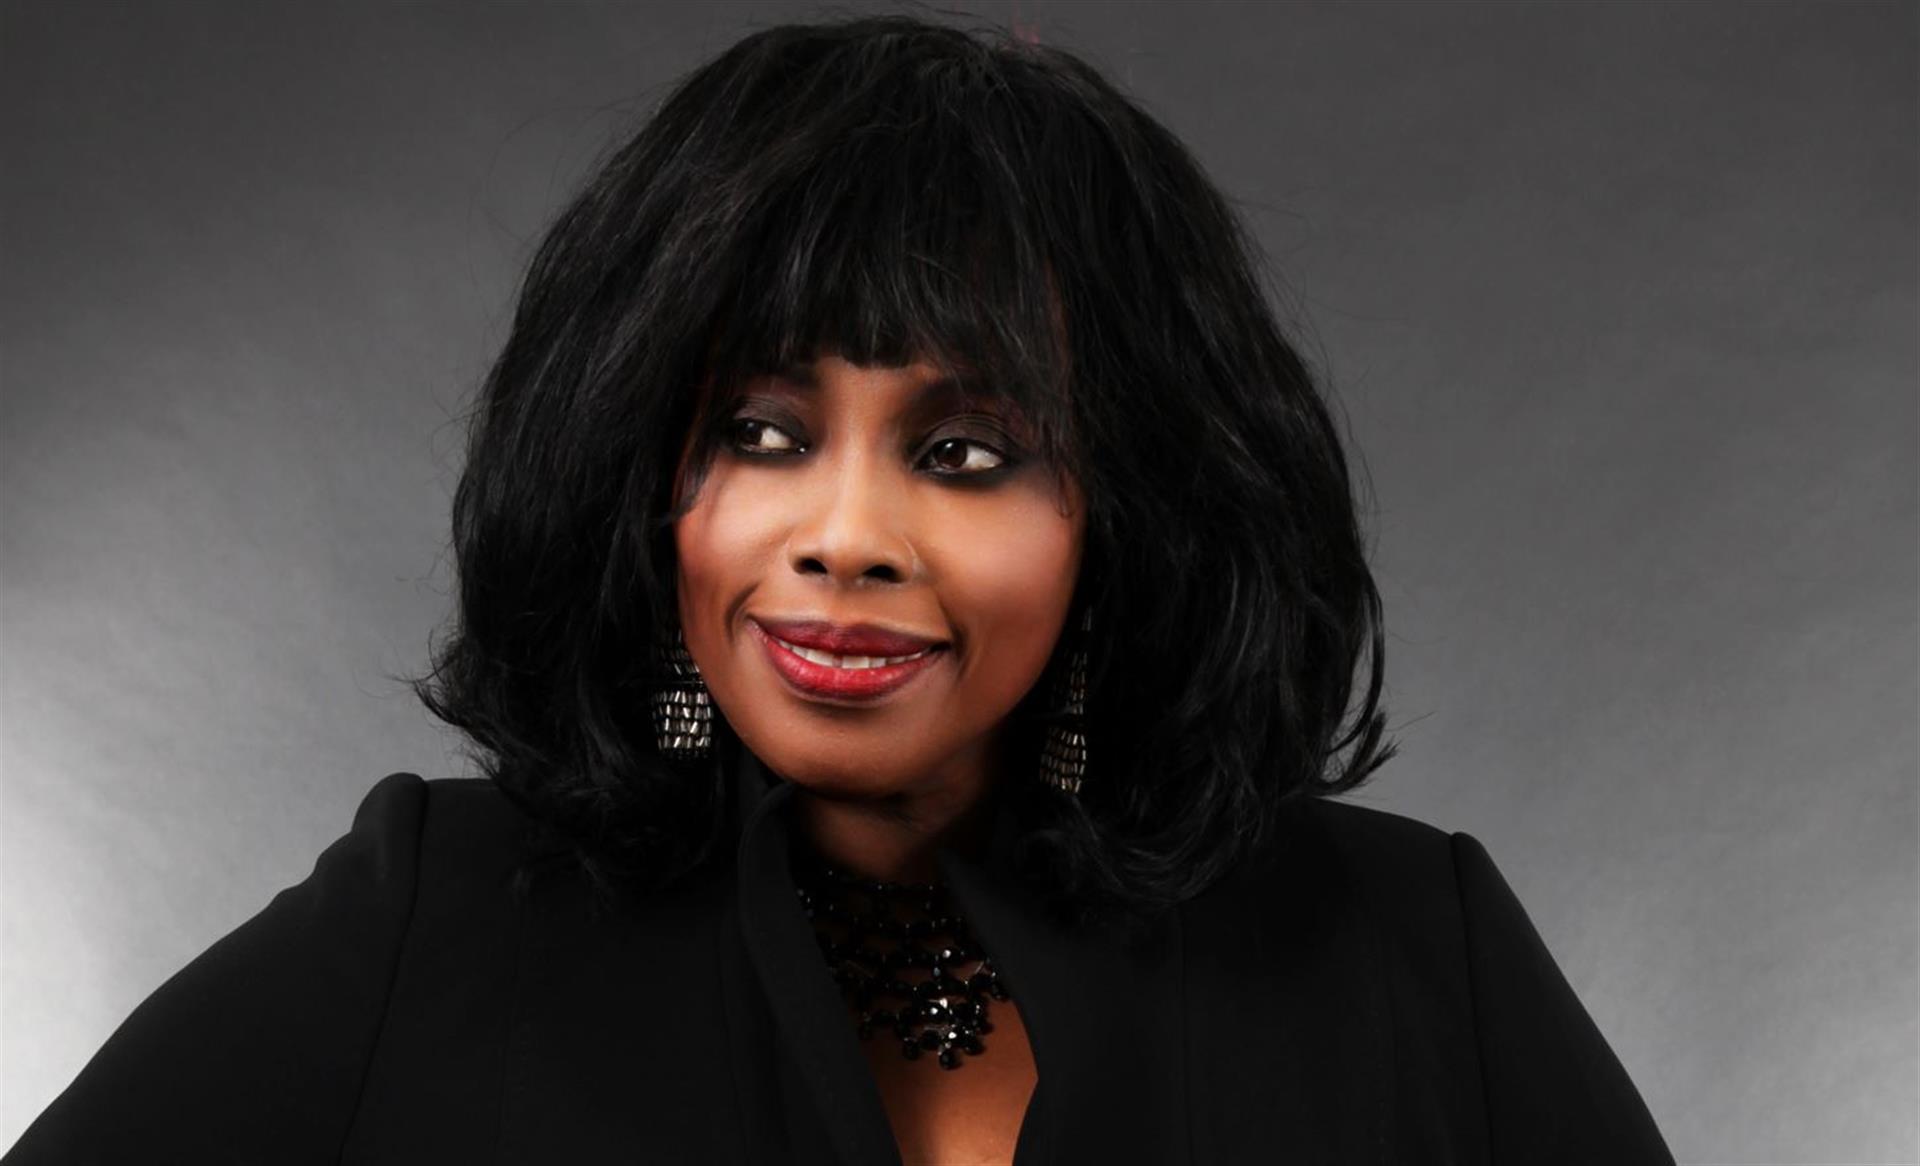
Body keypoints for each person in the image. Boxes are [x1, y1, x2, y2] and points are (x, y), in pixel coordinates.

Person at [6, 14, 1675, 1166]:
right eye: (762, 431)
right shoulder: (431, 920)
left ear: (1133, 507)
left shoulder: (1413, 953)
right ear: (640, 466)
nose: (847, 533)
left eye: (965, 451)